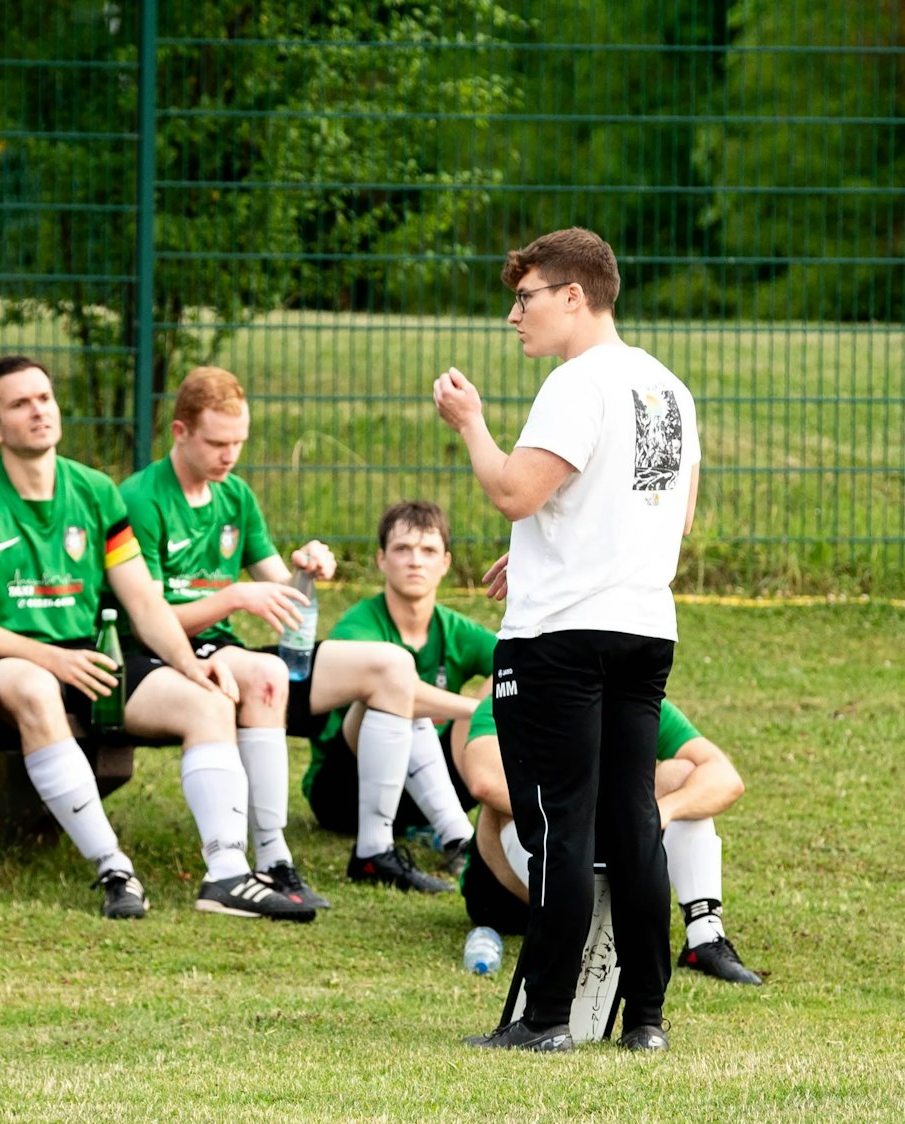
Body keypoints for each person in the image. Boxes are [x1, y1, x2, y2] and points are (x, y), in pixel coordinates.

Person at [435, 226, 701, 1053]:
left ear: (574, 295)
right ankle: (646, 1021)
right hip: (643, 630)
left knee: (559, 827)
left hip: (560, 640)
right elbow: (671, 519)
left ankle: (547, 1019)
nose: (514, 316)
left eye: (526, 298)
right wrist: (543, 553)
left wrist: (471, 423)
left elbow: (516, 492)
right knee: (634, 822)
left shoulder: (575, 382)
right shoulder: (667, 390)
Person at [0, 356, 313, 922]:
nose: (39, 411)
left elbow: (143, 602)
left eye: (45, 398)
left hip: (91, 656)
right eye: (20, 403)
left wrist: (189, 664)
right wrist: (54, 659)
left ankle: (228, 874)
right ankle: (114, 867)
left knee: (208, 699)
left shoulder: (97, 491)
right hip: (4, 659)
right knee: (36, 688)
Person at [118, 367, 332, 909]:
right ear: (180, 432)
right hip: (143, 653)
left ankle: (274, 859)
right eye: (217, 443)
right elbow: (149, 618)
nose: (230, 455)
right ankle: (227, 869)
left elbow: (282, 588)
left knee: (269, 674)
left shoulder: (235, 495)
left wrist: (307, 568)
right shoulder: (141, 498)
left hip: (212, 646)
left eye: (239, 442)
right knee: (224, 689)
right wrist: (233, 597)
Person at [455, 696, 761, 986]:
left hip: (598, 849)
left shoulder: (635, 696)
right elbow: (485, 782)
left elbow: (726, 779)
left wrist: (657, 815)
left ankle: (704, 936)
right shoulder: (518, 692)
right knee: (513, 794)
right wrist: (589, 821)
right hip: (508, 888)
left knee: (681, 774)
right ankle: (575, 916)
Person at [303, 500, 494, 887]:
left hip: (432, 779)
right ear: (381, 559)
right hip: (346, 787)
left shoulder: (456, 629)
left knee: (507, 678)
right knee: (389, 694)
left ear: (445, 563)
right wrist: (478, 712)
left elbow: (525, 669)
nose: (415, 561)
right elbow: (397, 694)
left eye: (428, 551)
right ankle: (456, 837)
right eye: (402, 549)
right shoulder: (359, 624)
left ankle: (459, 834)